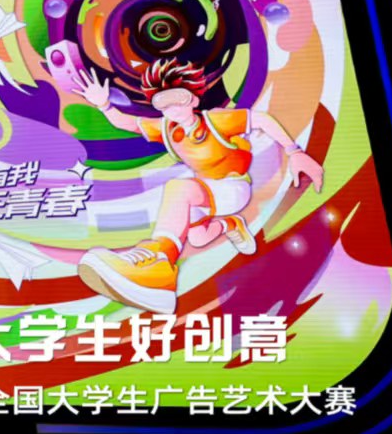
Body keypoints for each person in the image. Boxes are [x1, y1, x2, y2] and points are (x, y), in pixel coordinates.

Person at [74, 61, 323, 313]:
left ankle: (157, 260)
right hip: (205, 191)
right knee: (197, 237)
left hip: (232, 187)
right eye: (163, 103)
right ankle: (231, 225)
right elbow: (127, 123)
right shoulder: (167, 128)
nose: (172, 109)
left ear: (193, 100)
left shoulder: (216, 120)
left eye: (178, 100)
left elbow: (261, 120)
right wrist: (103, 104)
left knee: (178, 188)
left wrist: (294, 151)